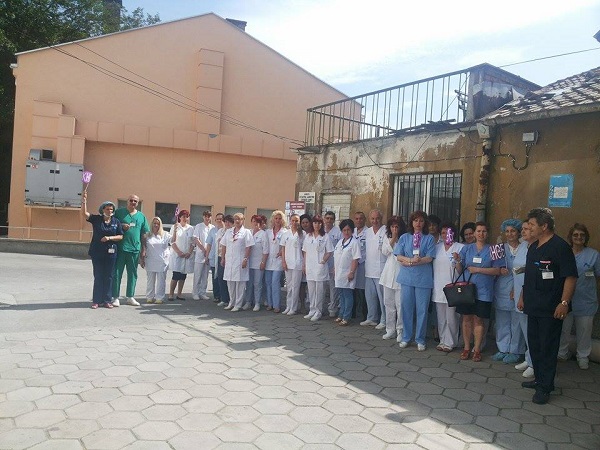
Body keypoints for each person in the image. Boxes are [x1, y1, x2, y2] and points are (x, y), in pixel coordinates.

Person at [518, 207, 577, 405]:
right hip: (533, 305)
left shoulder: (560, 247)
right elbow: (529, 276)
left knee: (547, 348)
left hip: (551, 308)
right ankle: (539, 379)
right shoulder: (533, 247)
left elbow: (570, 277)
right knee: (535, 346)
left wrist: (564, 303)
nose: (529, 228)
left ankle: (545, 387)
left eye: (532, 225)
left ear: (544, 226)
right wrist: (523, 296)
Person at [454, 222, 505, 362]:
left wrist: (478, 270)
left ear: (487, 233)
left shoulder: (494, 249)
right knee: (466, 318)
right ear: (474, 233)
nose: (481, 234)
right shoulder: (466, 248)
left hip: (484, 290)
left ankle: (476, 349)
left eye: (484, 231)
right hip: (467, 289)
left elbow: (498, 270)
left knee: (479, 319)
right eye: (478, 231)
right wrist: (457, 261)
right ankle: (466, 347)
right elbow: (460, 269)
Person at [557, 224, 599, 370]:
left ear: (586, 237)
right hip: (565, 300)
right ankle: (562, 353)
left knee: (584, 331)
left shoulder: (593, 255)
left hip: (586, 300)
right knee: (563, 329)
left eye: (582, 235)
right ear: (571, 237)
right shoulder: (564, 253)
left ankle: (583, 356)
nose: (579, 237)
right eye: (575, 235)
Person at [394, 211, 436, 351]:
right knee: (406, 308)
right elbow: (398, 256)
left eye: (421, 221)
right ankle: (406, 337)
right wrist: (410, 260)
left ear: (425, 223)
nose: (418, 223)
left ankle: (420, 339)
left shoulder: (429, 238)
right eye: (416, 220)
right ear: (411, 222)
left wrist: (416, 261)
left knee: (422, 310)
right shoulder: (405, 237)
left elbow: (429, 257)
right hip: (407, 278)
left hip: (423, 279)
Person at [81, 191, 123, 309]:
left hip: (111, 253)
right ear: (102, 210)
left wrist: (109, 238)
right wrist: (84, 200)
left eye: (111, 209)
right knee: (98, 276)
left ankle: (107, 300)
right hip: (97, 252)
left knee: (109, 276)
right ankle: (96, 301)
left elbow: (120, 236)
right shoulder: (96, 219)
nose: (109, 211)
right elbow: (84, 214)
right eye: (107, 209)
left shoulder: (116, 222)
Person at [492, 219, 526, 364]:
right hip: (502, 287)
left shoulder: (525, 247)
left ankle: (516, 350)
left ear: (518, 232)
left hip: (519, 286)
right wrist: (499, 270)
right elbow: (493, 266)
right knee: (502, 320)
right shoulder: (499, 248)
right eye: (507, 231)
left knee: (517, 321)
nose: (510, 234)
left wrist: (516, 288)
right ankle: (503, 348)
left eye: (513, 231)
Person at [112, 194, 150, 306]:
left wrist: (143, 249)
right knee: (117, 273)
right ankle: (115, 297)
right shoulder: (119, 213)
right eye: (131, 200)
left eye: (135, 201)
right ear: (127, 201)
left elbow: (144, 233)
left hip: (134, 249)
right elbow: (111, 223)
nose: (133, 202)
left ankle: (130, 297)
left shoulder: (141, 216)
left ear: (138, 203)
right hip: (121, 248)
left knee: (132, 274)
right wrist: (121, 225)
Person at [432, 222, 463, 352]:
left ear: (453, 234)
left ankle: (450, 342)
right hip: (438, 286)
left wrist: (458, 260)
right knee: (441, 318)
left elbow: (462, 271)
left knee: (452, 318)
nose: (446, 235)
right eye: (443, 233)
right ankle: (442, 340)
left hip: (453, 287)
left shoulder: (459, 247)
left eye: (448, 232)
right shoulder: (436, 247)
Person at [513, 221, 536, 378]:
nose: (523, 231)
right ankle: (528, 358)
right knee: (524, 328)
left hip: (529, 293)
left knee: (532, 331)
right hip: (518, 290)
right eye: (522, 229)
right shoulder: (522, 246)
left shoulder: (538, 247)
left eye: (527, 229)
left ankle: (534, 364)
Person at [379, 216, 406, 340]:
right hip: (388, 274)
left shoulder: (405, 238)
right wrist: (393, 238)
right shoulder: (387, 237)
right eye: (392, 226)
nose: (394, 229)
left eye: (397, 227)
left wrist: (397, 238)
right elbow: (385, 251)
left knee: (400, 305)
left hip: (401, 273)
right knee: (388, 303)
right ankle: (390, 329)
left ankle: (400, 330)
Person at [302, 215, 333, 321]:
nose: (317, 225)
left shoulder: (325, 236)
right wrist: (304, 265)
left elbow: (329, 251)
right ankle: (312, 310)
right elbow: (305, 251)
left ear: (321, 224)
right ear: (312, 224)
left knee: (319, 291)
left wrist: (323, 261)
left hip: (320, 267)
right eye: (315, 223)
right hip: (310, 266)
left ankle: (318, 311)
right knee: (311, 290)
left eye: (319, 223)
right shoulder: (308, 236)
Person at [221, 213, 254, 311]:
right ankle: (231, 302)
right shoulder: (229, 232)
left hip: (240, 261)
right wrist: (223, 258)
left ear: (243, 220)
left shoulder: (246, 232)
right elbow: (224, 245)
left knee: (240, 284)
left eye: (239, 219)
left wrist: (245, 259)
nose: (237, 221)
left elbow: (248, 247)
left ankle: (238, 304)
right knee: (230, 283)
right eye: (235, 219)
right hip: (229, 261)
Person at [333, 219, 361, 326]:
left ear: (352, 230)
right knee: (341, 294)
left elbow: (356, 258)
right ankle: (341, 314)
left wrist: (352, 272)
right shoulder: (340, 242)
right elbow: (336, 256)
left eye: (348, 230)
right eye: (344, 230)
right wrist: (335, 269)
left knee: (347, 295)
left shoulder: (354, 243)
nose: (346, 232)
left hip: (348, 273)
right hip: (339, 273)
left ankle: (346, 316)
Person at [363, 209, 387, 330]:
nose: (375, 221)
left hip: (381, 269)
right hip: (369, 269)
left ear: (381, 219)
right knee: (370, 296)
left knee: (382, 297)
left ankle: (384, 319)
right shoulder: (367, 232)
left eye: (377, 218)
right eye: (372, 218)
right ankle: (372, 317)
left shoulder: (386, 231)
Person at [141, 217, 170, 304]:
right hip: (150, 260)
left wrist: (175, 230)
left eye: (158, 223)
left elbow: (173, 240)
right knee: (150, 281)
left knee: (161, 281)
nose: (156, 225)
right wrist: (142, 259)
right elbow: (143, 248)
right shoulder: (147, 235)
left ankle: (159, 298)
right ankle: (150, 297)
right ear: (152, 224)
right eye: (154, 223)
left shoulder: (165, 234)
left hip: (162, 261)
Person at [168, 209, 195, 301]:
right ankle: (171, 294)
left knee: (183, 276)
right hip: (177, 255)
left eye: (187, 217)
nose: (185, 218)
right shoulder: (175, 227)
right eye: (183, 216)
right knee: (176, 275)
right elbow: (172, 241)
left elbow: (193, 242)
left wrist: (189, 252)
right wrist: (178, 252)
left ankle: (179, 294)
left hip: (186, 255)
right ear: (179, 217)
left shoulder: (190, 228)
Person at [244, 215, 269, 311]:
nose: (256, 224)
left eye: (258, 222)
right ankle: (248, 302)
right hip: (249, 263)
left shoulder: (263, 234)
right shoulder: (249, 232)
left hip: (259, 263)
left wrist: (263, 262)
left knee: (257, 283)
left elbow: (265, 250)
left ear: (261, 223)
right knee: (248, 283)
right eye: (254, 221)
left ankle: (257, 303)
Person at [281, 214, 304, 315]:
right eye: (293, 220)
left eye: (297, 221)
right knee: (289, 286)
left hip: (298, 263)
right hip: (288, 263)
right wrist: (283, 261)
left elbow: (304, 250)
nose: (294, 223)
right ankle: (288, 306)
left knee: (295, 286)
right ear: (290, 221)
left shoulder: (302, 234)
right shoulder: (286, 234)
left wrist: (304, 263)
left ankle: (293, 308)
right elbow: (283, 249)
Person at [265, 210, 287, 313]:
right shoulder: (268, 232)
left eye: (279, 218)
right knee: (268, 283)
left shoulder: (285, 232)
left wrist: (281, 252)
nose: (277, 220)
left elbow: (285, 245)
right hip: (268, 260)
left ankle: (277, 305)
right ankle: (270, 304)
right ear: (273, 219)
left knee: (275, 282)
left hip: (278, 260)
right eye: (276, 218)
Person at [192, 210, 214, 301]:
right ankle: (195, 293)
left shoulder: (212, 227)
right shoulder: (199, 226)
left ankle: (202, 293)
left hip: (209, 254)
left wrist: (208, 252)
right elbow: (196, 239)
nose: (207, 218)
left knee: (205, 275)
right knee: (198, 275)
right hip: (200, 254)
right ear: (203, 217)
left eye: (209, 216)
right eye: (205, 216)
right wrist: (204, 249)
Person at [324, 211, 342, 317]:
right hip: (322, 263)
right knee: (321, 287)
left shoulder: (338, 232)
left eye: (331, 218)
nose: (329, 220)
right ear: (324, 219)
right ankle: (319, 307)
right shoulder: (321, 231)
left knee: (333, 288)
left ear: (334, 220)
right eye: (327, 218)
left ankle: (332, 308)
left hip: (333, 263)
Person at [215, 215, 233, 306]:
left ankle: (231, 299)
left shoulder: (234, 232)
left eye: (229, 222)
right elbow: (219, 242)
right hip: (220, 256)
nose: (227, 223)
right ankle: (224, 299)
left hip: (230, 257)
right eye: (225, 221)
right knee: (221, 277)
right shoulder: (220, 231)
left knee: (229, 278)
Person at [353, 211, 368, 322]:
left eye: (361, 218)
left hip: (363, 265)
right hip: (352, 265)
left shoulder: (368, 232)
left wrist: (359, 261)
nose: (359, 221)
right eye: (357, 218)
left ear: (365, 219)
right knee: (352, 289)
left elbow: (368, 250)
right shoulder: (352, 231)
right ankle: (352, 312)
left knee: (362, 291)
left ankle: (364, 314)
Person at [206, 213, 224, 303]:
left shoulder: (227, 230)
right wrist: (206, 256)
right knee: (215, 277)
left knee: (222, 277)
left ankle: (223, 296)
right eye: (217, 219)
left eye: (221, 219)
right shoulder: (212, 231)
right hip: (213, 256)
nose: (219, 220)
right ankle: (217, 296)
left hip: (222, 257)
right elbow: (209, 244)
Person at [298, 213, 313, 313]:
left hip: (312, 262)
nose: (305, 224)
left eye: (307, 222)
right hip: (301, 262)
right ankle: (302, 305)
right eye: (303, 223)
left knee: (311, 286)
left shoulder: (314, 233)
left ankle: (312, 306)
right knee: (302, 285)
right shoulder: (300, 234)